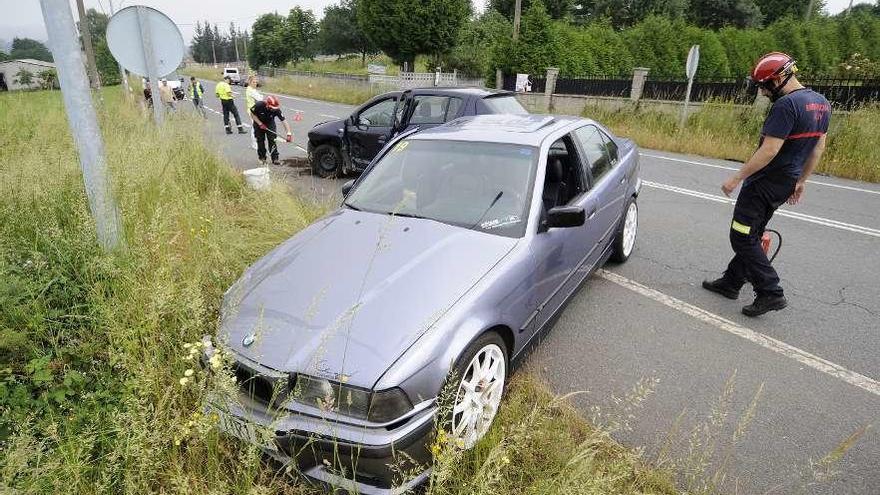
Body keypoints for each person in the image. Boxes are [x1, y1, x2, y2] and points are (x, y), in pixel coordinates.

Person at [702, 52, 830, 317]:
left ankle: (770, 291)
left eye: (765, 84)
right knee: (754, 232)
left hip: (763, 183)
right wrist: (802, 180)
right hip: (785, 183)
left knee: (741, 235)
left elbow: (770, 149)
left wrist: (737, 177)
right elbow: (818, 147)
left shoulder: (786, 105)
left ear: (782, 77)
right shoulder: (820, 103)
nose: (762, 91)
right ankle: (732, 282)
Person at [250, 95, 292, 165]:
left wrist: (289, 134)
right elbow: (252, 115)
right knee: (260, 140)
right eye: (272, 108)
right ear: (267, 105)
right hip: (258, 123)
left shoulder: (277, 110)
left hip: (270, 123)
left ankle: (275, 158)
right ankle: (262, 158)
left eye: (275, 108)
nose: (274, 110)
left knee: (272, 140)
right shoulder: (259, 105)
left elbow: (284, 121)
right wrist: (260, 124)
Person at [245, 75, 264, 150]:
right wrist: (261, 96)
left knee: (255, 126)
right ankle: (254, 143)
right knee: (255, 127)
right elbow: (260, 98)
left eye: (256, 82)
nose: (255, 83)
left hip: (255, 110)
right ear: (249, 82)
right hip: (253, 111)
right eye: (253, 82)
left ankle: (255, 142)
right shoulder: (251, 90)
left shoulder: (252, 89)